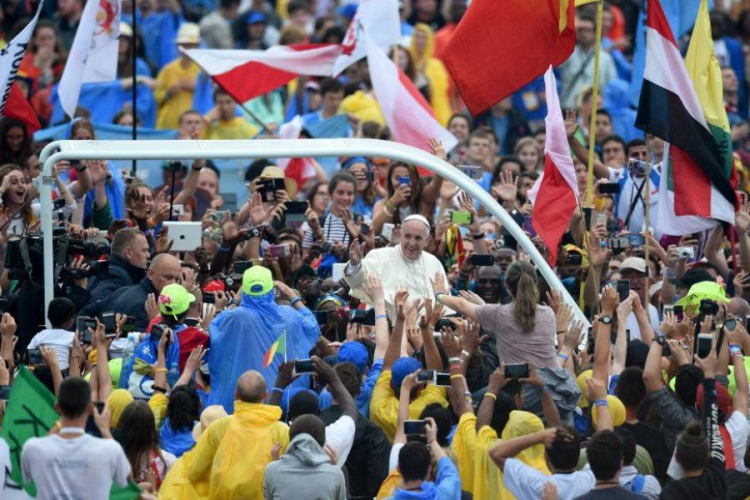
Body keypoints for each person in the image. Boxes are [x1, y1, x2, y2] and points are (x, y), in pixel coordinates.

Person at [207, 266, 320, 412]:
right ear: (271, 290)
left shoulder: (236, 317)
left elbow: (215, 326)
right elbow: (312, 327)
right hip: (281, 400)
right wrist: (293, 296)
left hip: (244, 399)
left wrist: (235, 300)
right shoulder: (289, 316)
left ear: (244, 291)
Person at [187, 370, 289, 499]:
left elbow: (194, 471)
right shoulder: (282, 431)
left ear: (236, 395)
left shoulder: (218, 428)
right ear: (265, 395)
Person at [435, 261, 558, 368]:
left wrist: (439, 294)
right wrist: (483, 306)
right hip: (551, 386)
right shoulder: (549, 313)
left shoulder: (498, 314)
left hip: (518, 390)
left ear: (506, 285)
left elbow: (461, 304)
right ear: (534, 284)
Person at [21, 378, 131, 499]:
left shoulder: (33, 448)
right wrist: (105, 430)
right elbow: (129, 482)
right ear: (90, 409)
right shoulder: (111, 449)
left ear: (57, 408)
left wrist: (59, 424)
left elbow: (23, 481)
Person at [344, 215, 451, 319]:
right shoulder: (379, 256)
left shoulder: (434, 263)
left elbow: (445, 302)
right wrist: (355, 264)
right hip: (387, 326)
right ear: (401, 234)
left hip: (428, 329)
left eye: (418, 238)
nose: (412, 243)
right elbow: (357, 281)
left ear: (427, 240)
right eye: (408, 236)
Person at [263, 415, 347, 500]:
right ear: (321, 441)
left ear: (291, 439)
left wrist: (276, 462)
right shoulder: (335, 474)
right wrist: (334, 467)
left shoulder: (271, 470)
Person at [99, 254, 183, 331]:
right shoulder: (147, 305)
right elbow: (144, 343)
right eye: (168, 277)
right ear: (150, 274)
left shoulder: (122, 291)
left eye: (177, 279)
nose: (173, 284)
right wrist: (157, 321)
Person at [385, 417, 461, 500]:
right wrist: (432, 441)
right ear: (429, 470)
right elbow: (449, 469)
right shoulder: (445, 495)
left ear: (399, 469)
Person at [154, 23, 201, 130]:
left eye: (190, 45)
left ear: (197, 46)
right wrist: (168, 93)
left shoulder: (203, 70)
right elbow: (157, 95)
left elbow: (212, 95)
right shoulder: (168, 69)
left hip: (195, 123)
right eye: (183, 45)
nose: (186, 49)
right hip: (170, 123)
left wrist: (196, 88)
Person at [87, 228, 149, 304]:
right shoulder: (115, 276)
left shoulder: (109, 270)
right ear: (128, 253)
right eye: (144, 250)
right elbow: (95, 304)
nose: (148, 255)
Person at [26, 297, 76, 371]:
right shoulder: (73, 337)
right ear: (71, 321)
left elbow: (29, 354)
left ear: (48, 317)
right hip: (63, 375)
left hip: (41, 374)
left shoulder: (40, 335)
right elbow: (80, 359)